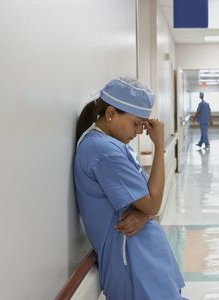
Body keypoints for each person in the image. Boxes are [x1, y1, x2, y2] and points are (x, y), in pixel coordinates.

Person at [74, 77, 186, 300]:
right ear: (111, 114)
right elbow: (152, 203)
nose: (138, 132)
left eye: (143, 126)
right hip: (132, 259)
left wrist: (144, 214)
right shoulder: (105, 152)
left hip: (143, 253)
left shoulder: (110, 145)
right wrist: (160, 145)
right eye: (136, 124)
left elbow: (145, 202)